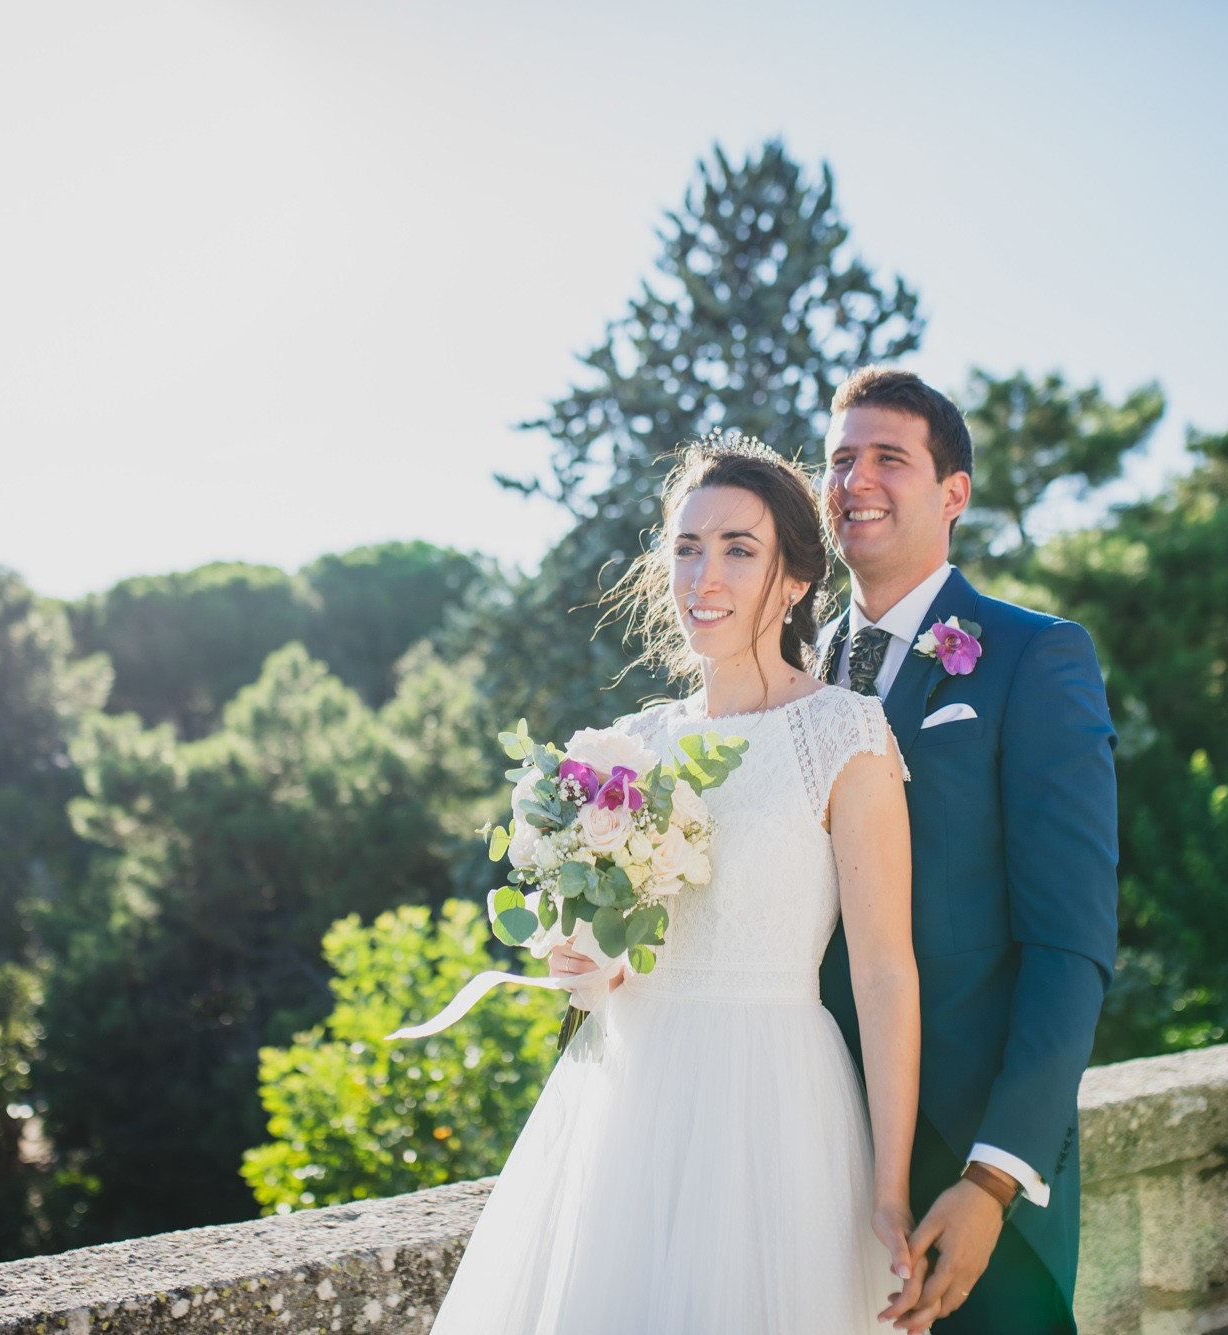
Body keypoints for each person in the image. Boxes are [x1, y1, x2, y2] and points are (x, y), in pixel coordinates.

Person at [431, 435, 925, 1333]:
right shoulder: (631, 745)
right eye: (687, 547)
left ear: (796, 580)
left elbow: (886, 971)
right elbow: (613, 957)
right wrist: (580, 958)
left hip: (772, 1101)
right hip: (626, 1099)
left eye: (740, 549)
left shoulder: (846, 735)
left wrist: (890, 1185)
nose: (706, 573)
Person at [813, 368, 1118, 1333]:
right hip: (806, 1140)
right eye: (839, 459)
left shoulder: (1035, 655)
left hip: (964, 1165)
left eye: (888, 457)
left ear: (954, 491)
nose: (856, 478)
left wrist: (993, 1178)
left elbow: (1070, 942)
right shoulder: (786, 670)